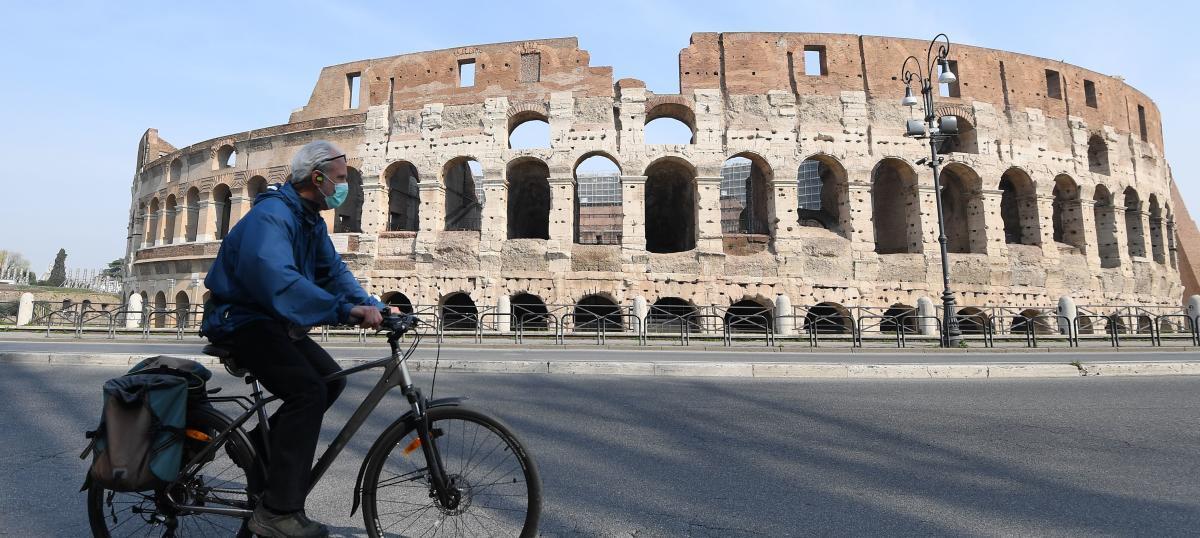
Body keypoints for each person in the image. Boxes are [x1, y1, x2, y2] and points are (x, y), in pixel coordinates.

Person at [201, 140, 388, 537]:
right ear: (316, 178)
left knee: (330, 380)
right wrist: (345, 311)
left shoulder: (308, 219)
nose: (344, 187)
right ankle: (277, 512)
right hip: (243, 320)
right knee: (308, 393)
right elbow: (278, 280)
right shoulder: (272, 217)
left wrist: (376, 307)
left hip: (273, 321)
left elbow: (333, 272)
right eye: (340, 179)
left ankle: (257, 451)